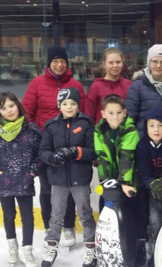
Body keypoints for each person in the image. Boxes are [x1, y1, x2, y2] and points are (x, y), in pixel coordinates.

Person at [22, 45, 84, 247]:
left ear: (67, 63)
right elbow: (26, 112)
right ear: (49, 63)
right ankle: (50, 225)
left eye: (63, 61)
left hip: (71, 143)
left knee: (70, 186)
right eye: (55, 61)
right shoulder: (37, 84)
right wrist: (35, 132)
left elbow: (82, 114)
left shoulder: (75, 84)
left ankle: (68, 225)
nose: (59, 64)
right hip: (45, 144)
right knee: (49, 188)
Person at [0, 92, 41, 267]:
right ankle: (12, 247)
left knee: (28, 216)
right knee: (8, 215)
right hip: (3, 182)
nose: (9, 110)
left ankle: (27, 250)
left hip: (24, 181)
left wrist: (32, 172)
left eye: (11, 106)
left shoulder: (30, 129)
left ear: (18, 105)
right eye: (4, 108)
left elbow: (40, 155)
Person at [39, 88, 97, 267]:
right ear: (59, 106)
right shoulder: (51, 126)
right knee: (56, 215)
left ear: (78, 105)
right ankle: (52, 246)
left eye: (73, 103)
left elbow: (93, 151)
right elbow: (43, 151)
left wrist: (75, 151)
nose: (69, 107)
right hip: (58, 180)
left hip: (80, 179)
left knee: (85, 213)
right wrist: (52, 158)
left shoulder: (86, 124)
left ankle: (90, 247)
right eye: (65, 104)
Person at [93, 94, 142, 264]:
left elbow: (126, 158)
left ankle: (132, 255)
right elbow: (102, 158)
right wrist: (106, 182)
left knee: (130, 219)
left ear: (125, 113)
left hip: (129, 183)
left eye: (119, 112)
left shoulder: (130, 130)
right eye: (111, 113)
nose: (115, 117)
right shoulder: (99, 131)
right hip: (111, 183)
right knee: (107, 215)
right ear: (103, 114)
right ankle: (107, 251)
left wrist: (125, 183)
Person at [135, 107, 162, 266]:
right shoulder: (142, 146)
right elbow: (143, 173)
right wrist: (151, 183)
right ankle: (152, 251)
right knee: (154, 220)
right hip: (150, 192)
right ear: (146, 127)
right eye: (152, 125)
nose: (156, 129)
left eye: (160, 125)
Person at [125, 44, 162, 142]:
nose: (158, 65)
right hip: (144, 144)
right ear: (149, 62)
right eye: (154, 61)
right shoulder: (136, 87)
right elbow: (130, 120)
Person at [86, 47, 132, 122]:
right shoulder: (96, 87)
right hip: (101, 132)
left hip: (124, 132)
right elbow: (89, 115)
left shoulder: (128, 85)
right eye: (111, 62)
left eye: (118, 62)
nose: (115, 66)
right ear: (104, 64)